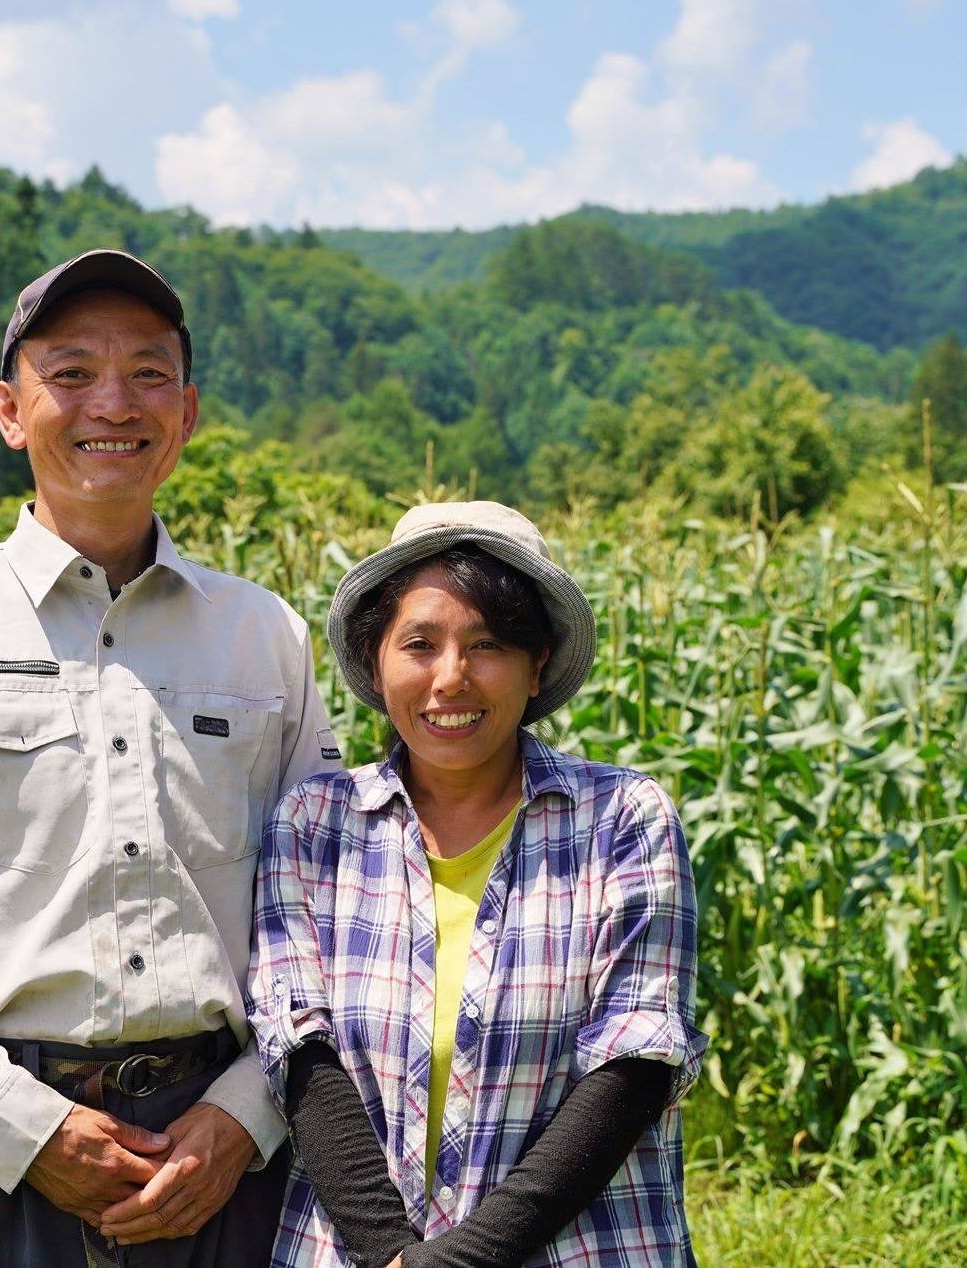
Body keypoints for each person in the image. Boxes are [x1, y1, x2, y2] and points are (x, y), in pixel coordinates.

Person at [0, 249, 342, 1266]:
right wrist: (22, 1128)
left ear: (186, 413)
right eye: (71, 373)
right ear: (9, 411)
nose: (113, 403)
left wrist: (245, 1118)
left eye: (148, 374)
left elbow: (321, 914)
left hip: (222, 1165)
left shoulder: (263, 636)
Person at [249, 502, 707, 1268]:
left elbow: (634, 1065)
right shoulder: (315, 824)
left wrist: (458, 1261)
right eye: (420, 644)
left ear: (538, 664)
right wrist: (391, 1252)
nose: (451, 677)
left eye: (488, 643)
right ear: (376, 662)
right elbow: (300, 1054)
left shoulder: (623, 818)